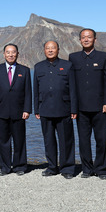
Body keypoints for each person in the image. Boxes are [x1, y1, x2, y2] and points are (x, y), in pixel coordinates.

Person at [69, 28, 106, 180]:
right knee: (83, 140)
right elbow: (72, 85)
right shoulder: (73, 58)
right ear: (79, 40)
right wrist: (73, 107)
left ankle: (101, 169)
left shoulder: (104, 57)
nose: (86, 39)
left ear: (95, 39)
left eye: (89, 37)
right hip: (81, 108)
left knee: (102, 139)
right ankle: (87, 168)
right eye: (83, 37)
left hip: (101, 107)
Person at [33, 41, 78, 179]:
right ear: (44, 50)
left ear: (58, 50)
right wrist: (36, 109)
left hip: (64, 109)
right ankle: (52, 167)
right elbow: (36, 89)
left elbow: (73, 89)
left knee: (66, 140)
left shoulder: (67, 65)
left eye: (53, 48)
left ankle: (67, 168)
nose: (50, 50)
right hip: (45, 109)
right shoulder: (38, 66)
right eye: (48, 48)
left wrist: (74, 108)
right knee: (49, 140)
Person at [0, 43, 32, 176]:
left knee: (19, 141)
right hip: (1, 111)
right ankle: (5, 167)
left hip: (19, 112)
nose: (11, 55)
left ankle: (20, 166)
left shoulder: (24, 70)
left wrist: (27, 109)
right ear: (4, 54)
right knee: (3, 141)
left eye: (13, 52)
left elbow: (28, 92)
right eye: (8, 52)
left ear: (18, 54)